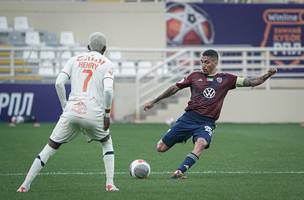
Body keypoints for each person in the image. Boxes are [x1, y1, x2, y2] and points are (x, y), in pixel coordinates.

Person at [144, 49, 277, 179]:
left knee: (201, 142)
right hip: (188, 118)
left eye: (206, 62)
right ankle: (180, 134)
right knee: (160, 148)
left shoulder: (227, 79)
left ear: (215, 62)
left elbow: (252, 82)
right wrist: (154, 101)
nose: (203, 65)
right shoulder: (194, 76)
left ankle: (180, 170)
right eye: (201, 62)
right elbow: (174, 88)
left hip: (206, 122)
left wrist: (267, 74)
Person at [17, 32, 119, 192]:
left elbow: (58, 83)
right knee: (106, 142)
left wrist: (65, 107)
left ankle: (25, 185)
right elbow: (108, 91)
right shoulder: (108, 64)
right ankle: (110, 184)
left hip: (71, 110)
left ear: (87, 47)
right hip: (94, 112)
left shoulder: (74, 59)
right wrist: (107, 114)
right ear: (105, 48)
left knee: (51, 146)